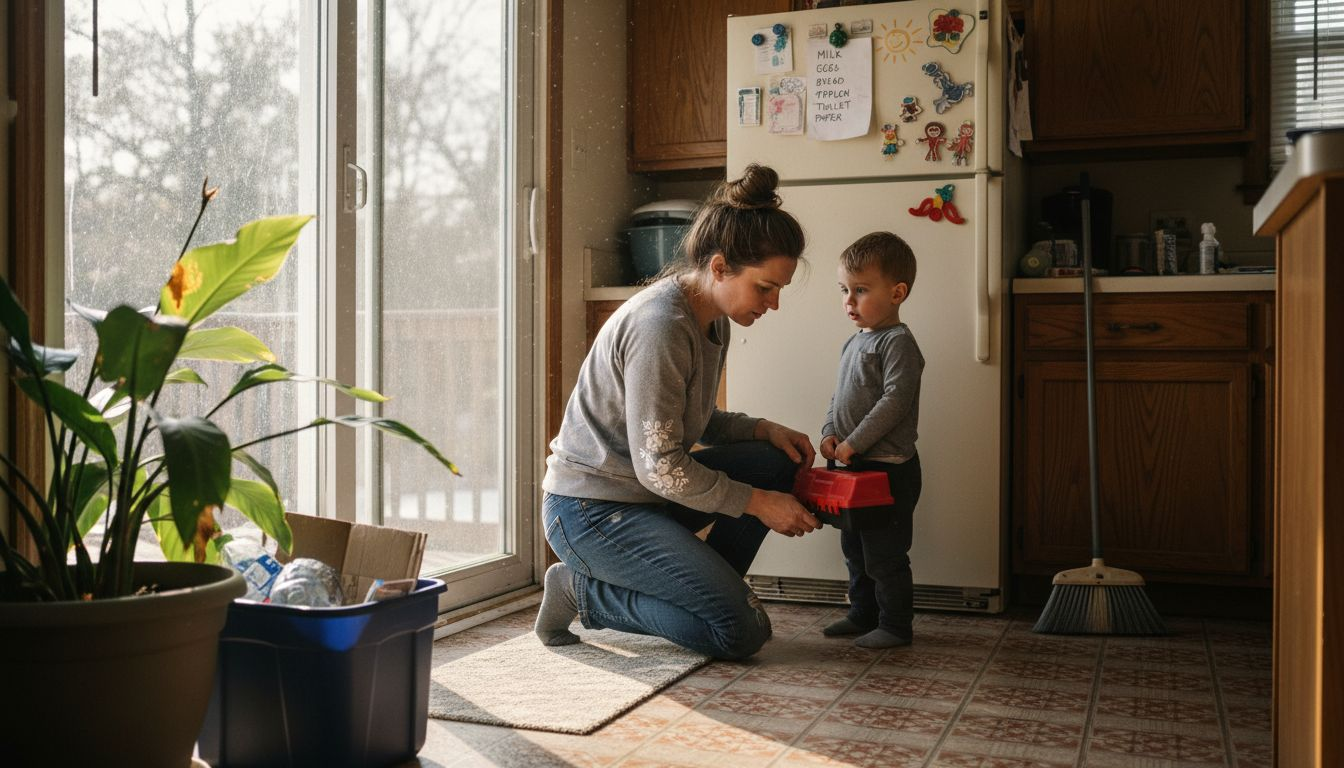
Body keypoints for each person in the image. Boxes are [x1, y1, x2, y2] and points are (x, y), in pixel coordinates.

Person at [534, 164, 822, 660]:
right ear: (717, 267)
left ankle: (707, 595)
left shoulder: (713, 319)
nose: (773, 303)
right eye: (765, 287)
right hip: (592, 511)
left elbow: (692, 420)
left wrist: (762, 429)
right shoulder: (661, 325)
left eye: (780, 290)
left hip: (644, 494)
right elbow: (662, 465)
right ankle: (580, 592)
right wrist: (756, 503)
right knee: (741, 633)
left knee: (777, 463)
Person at [819, 231, 925, 649]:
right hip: (855, 466)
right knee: (855, 550)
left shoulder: (898, 342)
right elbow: (839, 394)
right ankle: (863, 614)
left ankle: (896, 626)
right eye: (845, 289)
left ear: (897, 292)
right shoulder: (854, 340)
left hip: (889, 470)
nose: (849, 300)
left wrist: (854, 443)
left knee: (885, 554)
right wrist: (830, 432)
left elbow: (894, 401)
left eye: (860, 290)